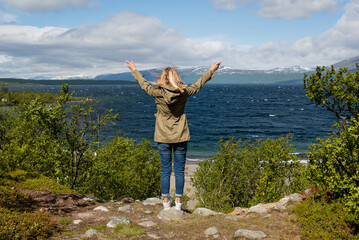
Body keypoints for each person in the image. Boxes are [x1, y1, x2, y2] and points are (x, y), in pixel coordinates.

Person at [126, 60, 221, 210]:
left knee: (165, 170)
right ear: (176, 78)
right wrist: (211, 70)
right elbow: (198, 85)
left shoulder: (157, 93)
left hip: (163, 137)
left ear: (162, 78)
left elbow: (144, 84)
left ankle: (165, 202)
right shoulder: (184, 93)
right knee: (179, 171)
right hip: (181, 136)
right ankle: (178, 203)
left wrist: (134, 70)